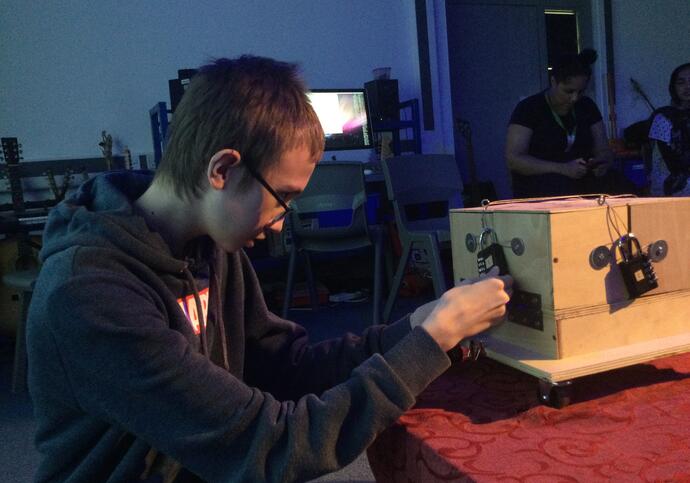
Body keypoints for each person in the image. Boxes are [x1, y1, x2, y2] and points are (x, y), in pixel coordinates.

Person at [26, 55, 513, 482]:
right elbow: (269, 449)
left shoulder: (213, 247)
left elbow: (287, 368)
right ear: (222, 170)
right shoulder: (89, 293)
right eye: (284, 199)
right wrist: (427, 348)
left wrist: (416, 326)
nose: (282, 226)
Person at [505, 49, 616, 198]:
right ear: (553, 81)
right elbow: (514, 159)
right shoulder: (529, 108)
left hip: (583, 181)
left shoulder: (587, 106)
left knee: (619, 184)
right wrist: (562, 168)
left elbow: (603, 149)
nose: (574, 98)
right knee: (561, 188)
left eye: (580, 92)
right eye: (568, 91)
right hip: (541, 184)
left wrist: (602, 163)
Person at [648, 62, 690, 196]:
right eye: (681, 82)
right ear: (673, 87)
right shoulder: (663, 118)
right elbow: (674, 164)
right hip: (673, 184)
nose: (687, 87)